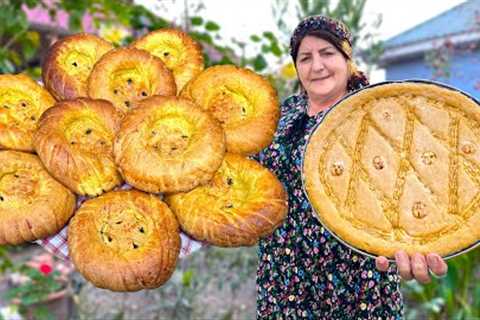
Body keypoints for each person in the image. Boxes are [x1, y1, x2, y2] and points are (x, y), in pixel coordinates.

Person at [255, 15, 448, 319]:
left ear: (347, 59)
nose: (316, 66)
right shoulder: (281, 117)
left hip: (359, 287)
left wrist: (421, 239)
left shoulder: (378, 114)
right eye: (305, 58)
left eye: (327, 53)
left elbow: (415, 182)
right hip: (284, 283)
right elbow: (250, 178)